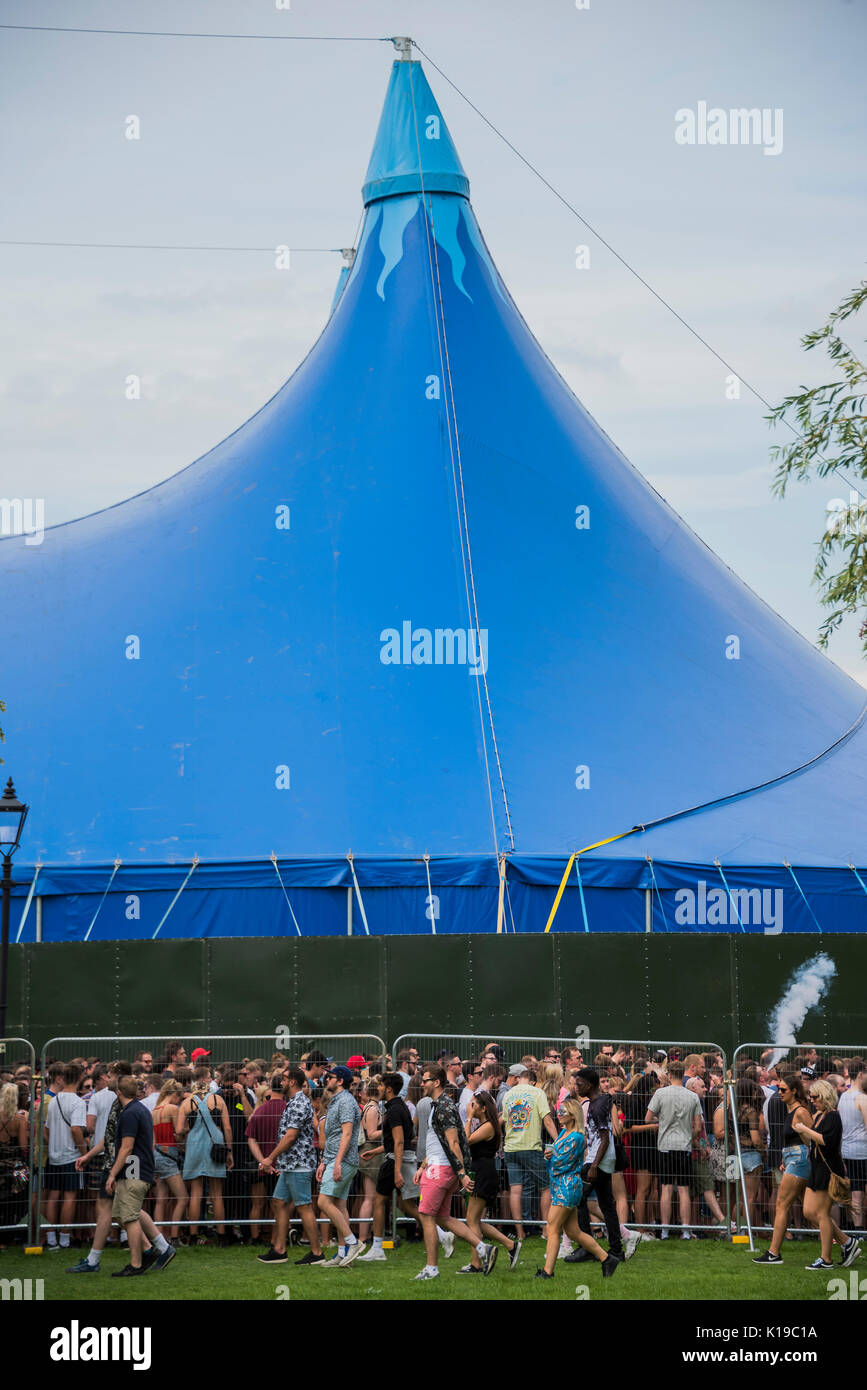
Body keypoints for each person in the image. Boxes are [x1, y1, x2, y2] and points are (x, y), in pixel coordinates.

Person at [413, 1065, 498, 1281]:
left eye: (426, 1080)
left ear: (437, 1082)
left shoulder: (444, 1107)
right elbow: (438, 1143)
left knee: (426, 1216)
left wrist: (462, 1173)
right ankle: (483, 1249)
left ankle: (431, 1268)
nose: (422, 1084)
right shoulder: (438, 1105)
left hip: (440, 1170)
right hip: (437, 1166)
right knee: (442, 1217)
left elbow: (454, 1143)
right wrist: (423, 1166)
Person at [535, 1099, 619, 1280]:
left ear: (573, 1116)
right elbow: (557, 1157)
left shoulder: (576, 1137)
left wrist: (549, 1157)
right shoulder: (565, 1132)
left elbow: (561, 1163)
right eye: (559, 1111)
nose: (559, 1115)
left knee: (552, 1227)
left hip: (567, 1187)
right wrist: (550, 1156)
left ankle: (548, 1272)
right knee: (574, 1232)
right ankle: (607, 1259)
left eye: (563, 1112)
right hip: (562, 1186)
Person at [258, 1066, 324, 1266]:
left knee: (304, 1206)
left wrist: (270, 1158)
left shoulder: (298, 1103)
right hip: (290, 1164)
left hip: (298, 1165)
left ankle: (316, 1253)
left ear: (293, 1082)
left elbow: (290, 1136)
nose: (281, 1082)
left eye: (285, 1078)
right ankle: (279, 1249)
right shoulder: (296, 1101)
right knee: (278, 1202)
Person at [796, 1078, 862, 1272]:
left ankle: (826, 1259)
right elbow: (812, 1140)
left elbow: (827, 1141)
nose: (812, 1100)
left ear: (824, 1096)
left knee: (822, 1214)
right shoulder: (818, 1115)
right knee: (808, 1211)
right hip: (816, 1167)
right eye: (811, 1097)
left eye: (815, 1097)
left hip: (828, 1169)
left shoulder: (833, 1116)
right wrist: (801, 1131)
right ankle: (847, 1242)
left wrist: (805, 1129)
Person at [105, 1076, 165, 1277]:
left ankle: (136, 1264)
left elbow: (127, 1147)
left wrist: (112, 1174)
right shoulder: (140, 1109)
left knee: (129, 1217)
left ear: (119, 1093)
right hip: (138, 1169)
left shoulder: (130, 1113)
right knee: (119, 1215)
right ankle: (148, 1250)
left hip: (134, 1171)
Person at [569, 1067, 627, 1261]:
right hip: (603, 1158)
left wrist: (594, 1166)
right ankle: (616, 1250)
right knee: (606, 1205)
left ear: (589, 1084)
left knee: (577, 1199)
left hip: (597, 1160)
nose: (576, 1087)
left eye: (579, 1084)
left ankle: (586, 1247)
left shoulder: (596, 1106)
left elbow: (604, 1138)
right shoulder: (600, 1102)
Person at [459, 1090, 521, 1273]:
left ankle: (476, 1264)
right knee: (475, 1220)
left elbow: (466, 1141)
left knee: (471, 1220)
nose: (471, 1107)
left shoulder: (489, 1126)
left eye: (474, 1104)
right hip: (481, 1171)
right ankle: (510, 1244)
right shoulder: (485, 1124)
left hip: (484, 1174)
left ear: (483, 1108)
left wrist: (469, 1118)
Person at [358, 1072, 415, 1261]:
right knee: (408, 1205)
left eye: (381, 1085)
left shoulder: (394, 1111)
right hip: (397, 1159)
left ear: (389, 1088)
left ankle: (377, 1248)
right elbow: (397, 1142)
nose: (378, 1088)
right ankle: (441, 1233)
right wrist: (374, 1152)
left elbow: (399, 1142)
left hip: (393, 1162)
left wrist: (397, 1170)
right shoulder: (400, 1108)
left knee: (379, 1202)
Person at [502, 1062, 559, 1241]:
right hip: (531, 1146)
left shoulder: (508, 1095)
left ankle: (520, 1233)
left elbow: (505, 1121)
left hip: (510, 1148)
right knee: (546, 1187)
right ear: (533, 1082)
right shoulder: (537, 1093)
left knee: (515, 1190)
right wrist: (559, 1141)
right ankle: (545, 1230)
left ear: (520, 1079)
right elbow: (547, 1120)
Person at [645, 1061, 701, 1240]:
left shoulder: (661, 1093)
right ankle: (685, 1230)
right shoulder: (692, 1096)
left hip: (665, 1146)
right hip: (684, 1146)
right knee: (684, 1189)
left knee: (666, 1189)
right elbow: (698, 1127)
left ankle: (665, 1230)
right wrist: (688, 1136)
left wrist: (661, 1121)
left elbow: (647, 1119)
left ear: (669, 1075)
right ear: (682, 1074)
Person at [316, 1064, 365, 1267]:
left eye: (331, 1077)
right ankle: (343, 1254)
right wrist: (324, 1162)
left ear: (340, 1081)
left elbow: (346, 1134)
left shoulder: (345, 1101)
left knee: (323, 1202)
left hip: (343, 1160)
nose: (326, 1079)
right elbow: (334, 1136)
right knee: (339, 1205)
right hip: (336, 1159)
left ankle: (353, 1243)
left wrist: (336, 1163)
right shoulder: (337, 1101)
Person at [176, 1074, 234, 1243]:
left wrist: (188, 1129)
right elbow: (228, 1128)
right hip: (215, 1145)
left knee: (196, 1192)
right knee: (217, 1193)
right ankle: (222, 1235)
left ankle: (194, 1235)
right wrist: (229, 1151)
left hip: (194, 1147)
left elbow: (179, 1130)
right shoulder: (218, 1101)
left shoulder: (187, 1103)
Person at [43, 1062, 87, 1251]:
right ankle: (65, 1239)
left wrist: (54, 1143)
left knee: (53, 1196)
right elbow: (76, 1130)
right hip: (71, 1156)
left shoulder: (54, 1100)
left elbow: (46, 1131)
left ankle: (51, 1238)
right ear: (78, 1079)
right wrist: (84, 1153)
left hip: (54, 1156)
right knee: (70, 1197)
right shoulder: (77, 1102)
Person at [245, 1070, 289, 1245]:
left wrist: (262, 1160)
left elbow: (251, 1138)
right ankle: (276, 1239)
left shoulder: (260, 1111)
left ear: (271, 1088)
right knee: (280, 1205)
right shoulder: (288, 1109)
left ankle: (258, 1237)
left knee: (260, 1204)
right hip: (283, 1164)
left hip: (264, 1165)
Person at [151, 1079, 187, 1244]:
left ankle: (159, 1237)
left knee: (161, 1200)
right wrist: (186, 1127)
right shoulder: (172, 1108)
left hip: (156, 1155)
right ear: (175, 1094)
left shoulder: (155, 1110)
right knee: (183, 1197)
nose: (179, 1101)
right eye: (179, 1098)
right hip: (169, 1156)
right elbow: (180, 1130)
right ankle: (174, 1236)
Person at [839, 1059, 867, 1230]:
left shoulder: (843, 1096)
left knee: (855, 1192)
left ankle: (856, 1230)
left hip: (847, 1150)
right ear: (860, 1075)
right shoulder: (862, 1098)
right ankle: (859, 1230)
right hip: (862, 1151)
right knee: (858, 1193)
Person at [356, 1078, 383, 1243]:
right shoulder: (372, 1109)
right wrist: (388, 1129)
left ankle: (367, 1235)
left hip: (372, 1153)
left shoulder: (371, 1107)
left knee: (371, 1197)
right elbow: (372, 1134)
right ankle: (363, 1237)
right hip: (370, 1153)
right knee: (369, 1197)